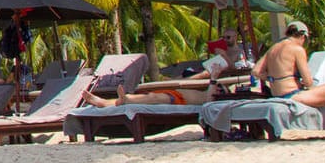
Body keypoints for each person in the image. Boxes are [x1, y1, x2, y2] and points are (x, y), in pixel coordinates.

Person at [254, 21, 325, 139]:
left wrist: (272, 78)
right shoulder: (296, 49)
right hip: (294, 95)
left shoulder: (273, 48)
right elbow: (308, 82)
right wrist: (303, 83)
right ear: (302, 36)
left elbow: (255, 71)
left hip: (278, 95)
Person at [78, 53, 230, 108]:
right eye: (222, 88)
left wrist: (214, 80)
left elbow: (210, 99)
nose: (220, 88)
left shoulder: (212, 96)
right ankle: (104, 102)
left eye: (223, 90)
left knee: (152, 97)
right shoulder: (209, 89)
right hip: (175, 94)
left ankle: (122, 99)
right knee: (148, 97)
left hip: (179, 100)